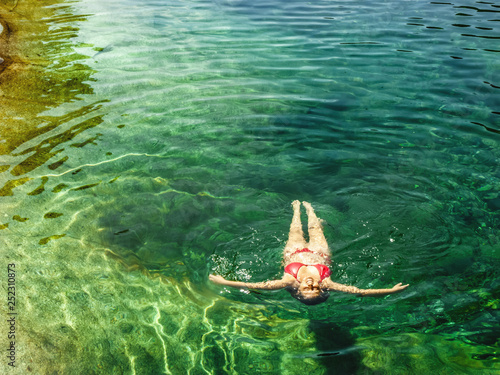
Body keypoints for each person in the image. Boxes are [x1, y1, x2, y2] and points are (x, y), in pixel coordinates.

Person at [209, 201, 409, 305]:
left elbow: (255, 285)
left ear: (298, 291)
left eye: (307, 290)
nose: (311, 286)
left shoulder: (288, 282)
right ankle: (311, 210)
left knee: (295, 230)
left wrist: (224, 282)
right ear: (321, 290)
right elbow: (360, 292)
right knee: (315, 229)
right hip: (319, 255)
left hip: (294, 254)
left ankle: (296, 210)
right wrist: (390, 291)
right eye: (315, 290)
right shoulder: (326, 283)